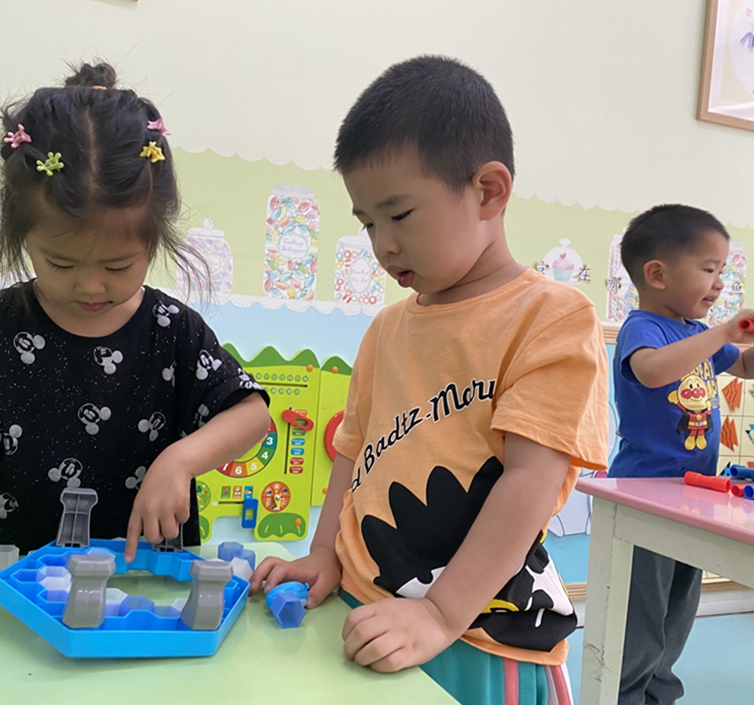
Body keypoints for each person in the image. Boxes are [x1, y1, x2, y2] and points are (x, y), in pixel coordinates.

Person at [250, 55, 609, 705]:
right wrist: (324, 553)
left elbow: (530, 481)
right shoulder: (387, 328)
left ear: (488, 191)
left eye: (400, 214)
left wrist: (441, 613)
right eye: (368, 223)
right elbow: (351, 452)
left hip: (475, 633)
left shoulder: (551, 317)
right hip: (365, 605)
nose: (382, 245)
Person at [0, 63, 270, 562]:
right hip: (2, 567)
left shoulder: (172, 331)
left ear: (155, 239)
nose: (91, 285)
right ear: (21, 236)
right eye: (60, 263)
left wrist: (180, 461)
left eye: (118, 265)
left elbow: (251, 414)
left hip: (136, 569)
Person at [609, 204, 754, 705]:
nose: (719, 283)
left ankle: (658, 692)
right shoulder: (643, 328)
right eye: (710, 269)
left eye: (722, 270)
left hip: (691, 492)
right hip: (645, 491)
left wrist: (734, 340)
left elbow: (745, 366)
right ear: (658, 274)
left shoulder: (696, 332)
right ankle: (625, 694)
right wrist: (722, 333)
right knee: (641, 612)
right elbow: (652, 371)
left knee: (678, 606)